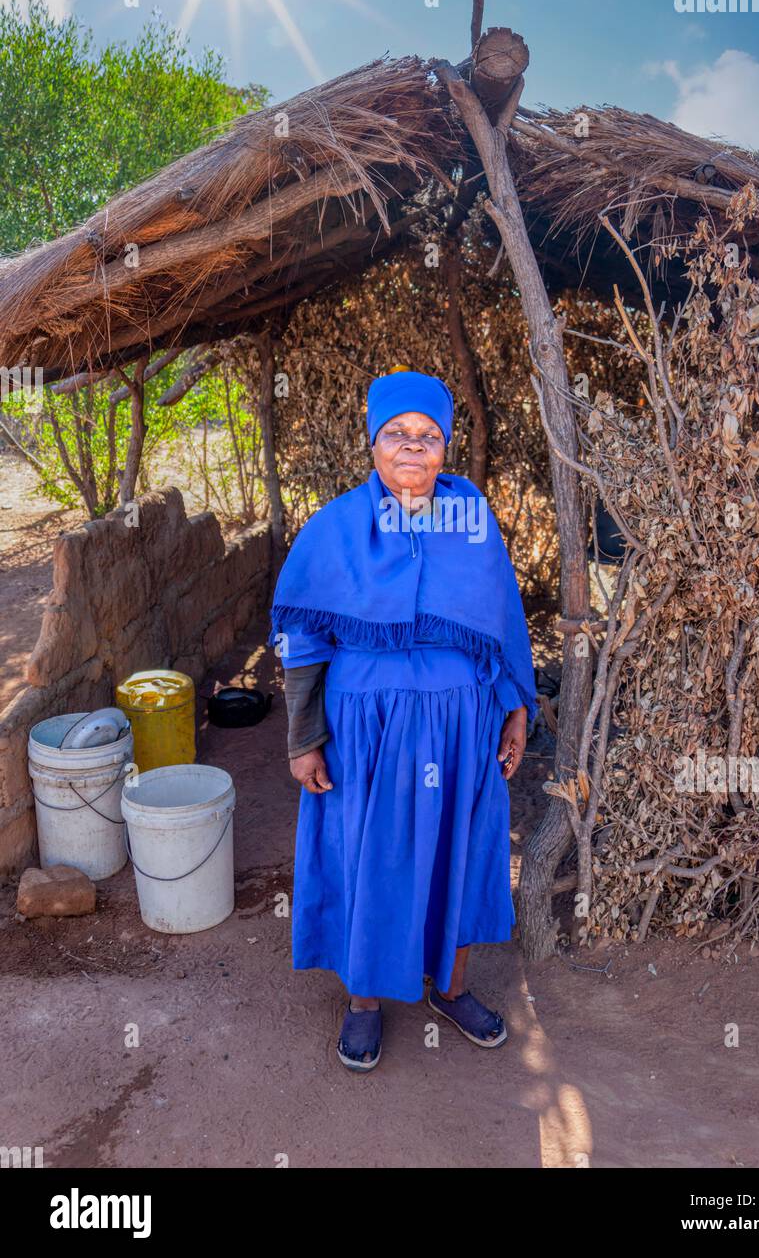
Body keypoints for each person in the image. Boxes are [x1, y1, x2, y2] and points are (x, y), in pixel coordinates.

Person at [270, 369, 536, 1071]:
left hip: (460, 730)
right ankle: (364, 1001)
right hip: (367, 735)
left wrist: (515, 708)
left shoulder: (472, 522)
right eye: (397, 434)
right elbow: (302, 642)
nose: (412, 448)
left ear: (446, 446)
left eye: (428, 436)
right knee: (370, 853)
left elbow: (503, 627)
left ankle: (450, 990)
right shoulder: (335, 531)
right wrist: (303, 740)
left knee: (462, 847)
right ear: (373, 442)